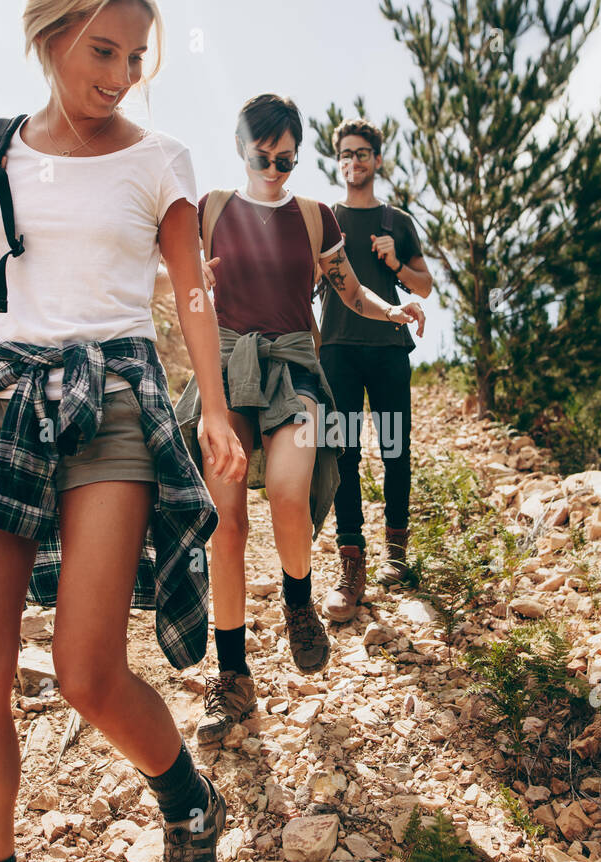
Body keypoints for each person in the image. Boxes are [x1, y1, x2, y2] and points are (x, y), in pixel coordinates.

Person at [0, 0, 247, 862]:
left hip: (115, 391)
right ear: (48, 35)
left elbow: (191, 289)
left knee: (86, 672)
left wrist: (212, 403)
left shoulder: (162, 159)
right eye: (103, 50)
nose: (121, 74)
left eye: (135, 57)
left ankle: (187, 794)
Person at [174, 94, 425, 746]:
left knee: (290, 492)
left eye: (287, 157)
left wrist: (392, 310)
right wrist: (190, 278)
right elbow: (167, 277)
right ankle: (233, 678)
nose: (276, 167)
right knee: (225, 524)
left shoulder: (315, 218)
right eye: (264, 154)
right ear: (242, 146)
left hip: (297, 372)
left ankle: (297, 600)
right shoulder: (211, 211)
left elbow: (350, 291)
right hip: (226, 370)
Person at [318, 119, 433, 623]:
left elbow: (425, 286)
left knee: (395, 450)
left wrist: (395, 266)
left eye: (362, 153)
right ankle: (351, 562)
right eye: (345, 154)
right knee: (341, 453)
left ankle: (398, 555)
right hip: (337, 351)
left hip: (388, 348)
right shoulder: (324, 219)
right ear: (337, 161)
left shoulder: (397, 220)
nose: (354, 161)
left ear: (377, 160)